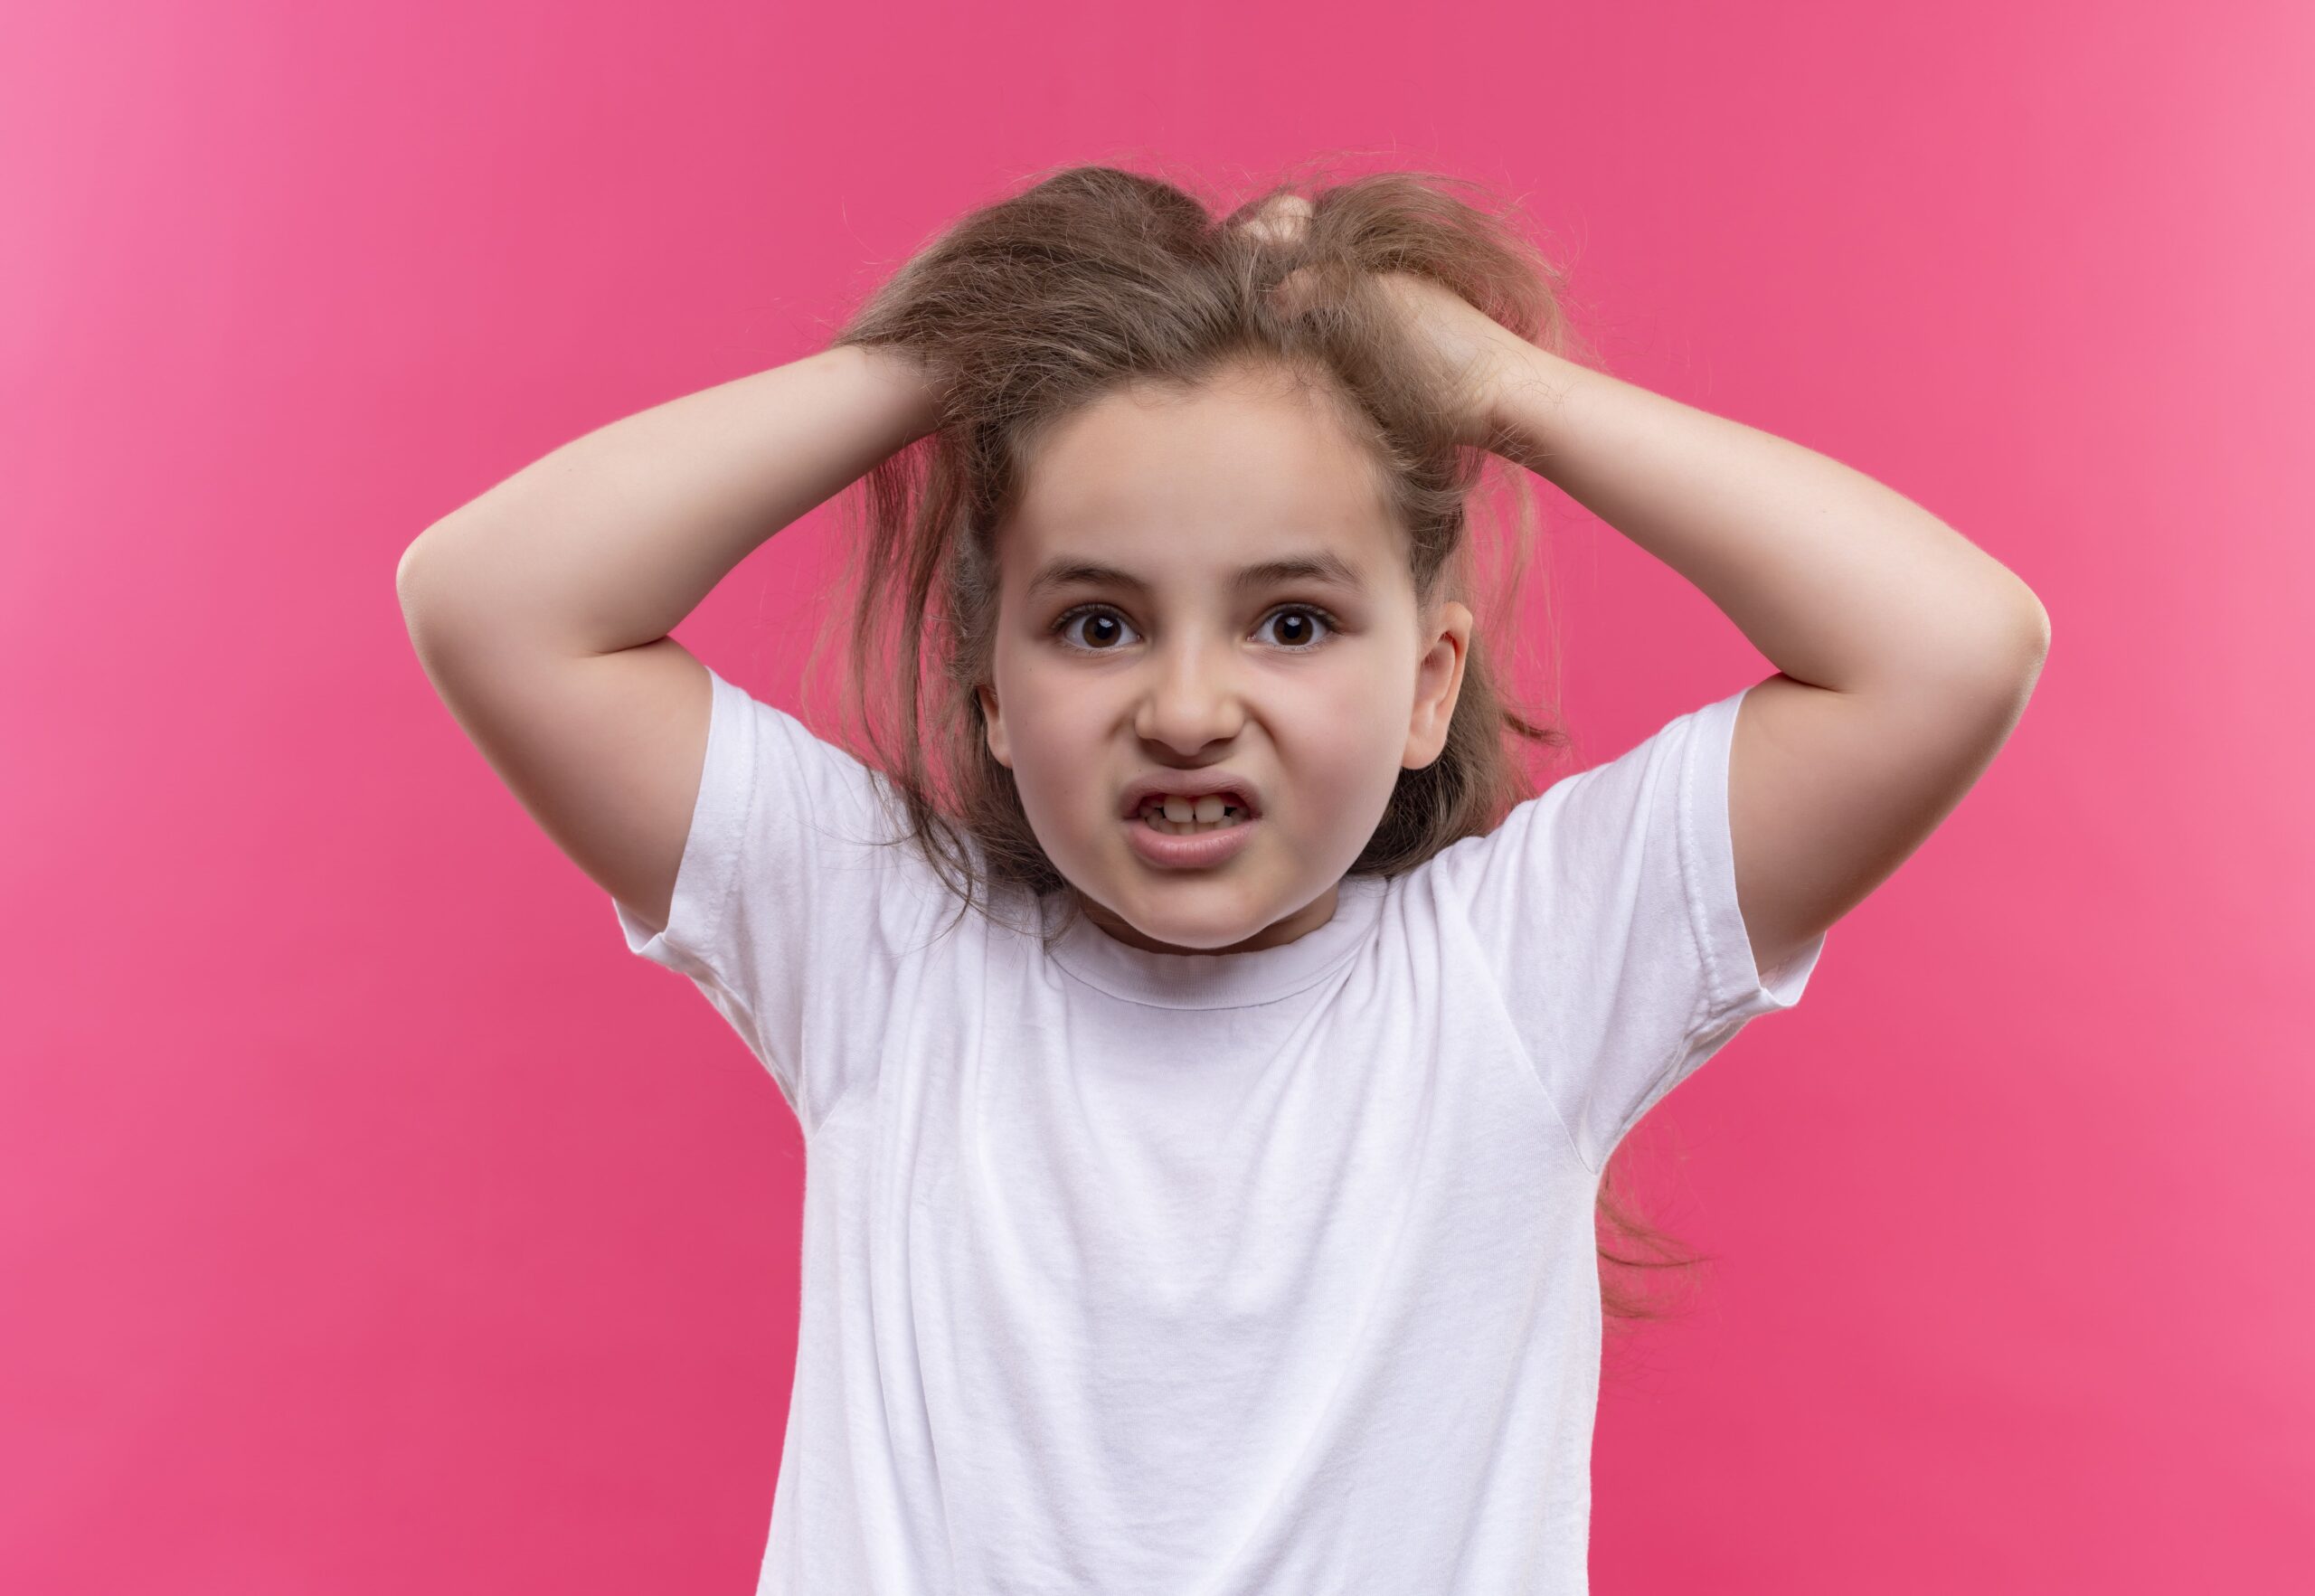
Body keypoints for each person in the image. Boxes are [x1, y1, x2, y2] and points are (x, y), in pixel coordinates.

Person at [395, 163, 2048, 1595]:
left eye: (1293, 620)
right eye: (1097, 623)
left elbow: (1949, 647)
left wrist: (1492, 383)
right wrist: (946, 356)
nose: (1187, 709)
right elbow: (496, 599)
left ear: (1428, 683)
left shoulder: (1520, 975)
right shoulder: (888, 950)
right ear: (987, 686)